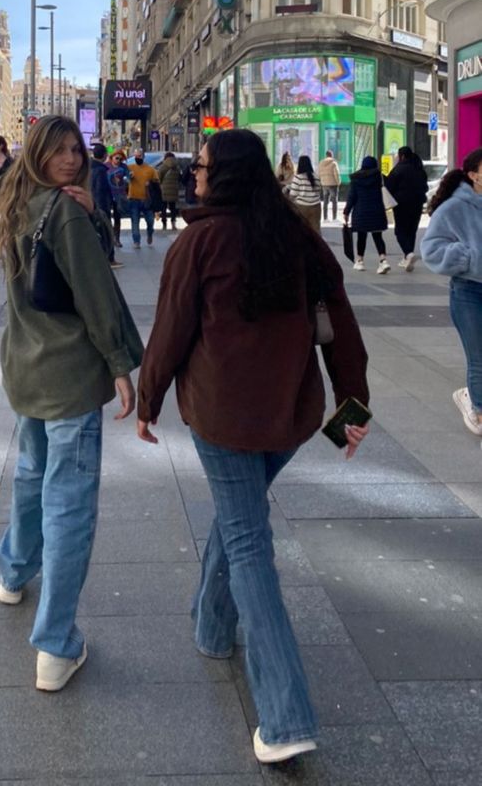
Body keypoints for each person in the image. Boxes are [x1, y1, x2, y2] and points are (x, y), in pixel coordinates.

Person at [137, 129, 369, 766]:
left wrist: (149, 399)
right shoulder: (297, 235)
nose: (198, 177)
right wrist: (351, 405)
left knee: (246, 538)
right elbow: (340, 324)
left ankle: (286, 714)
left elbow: (170, 330)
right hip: (291, 415)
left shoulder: (199, 242)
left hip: (225, 418)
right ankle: (213, 627)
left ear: (226, 176)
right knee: (239, 521)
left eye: (204, 167)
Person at [0, 116, 143, 691]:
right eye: (60, 150)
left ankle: (13, 570)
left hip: (25, 367)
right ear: (38, 151)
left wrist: (89, 215)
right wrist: (122, 365)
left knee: (31, 475)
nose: (73, 159)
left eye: (77, 149)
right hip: (70, 374)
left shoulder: (15, 201)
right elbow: (96, 293)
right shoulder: (65, 211)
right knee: (69, 501)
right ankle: (56, 645)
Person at [421, 147, 482, 436]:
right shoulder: (454, 208)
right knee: (479, 356)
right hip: (470, 291)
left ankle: (472, 396)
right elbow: (431, 250)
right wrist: (470, 258)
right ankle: (479, 410)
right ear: (473, 175)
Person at [344, 156, 390, 274]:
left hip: (361, 212)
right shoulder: (379, 177)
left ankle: (360, 261)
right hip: (376, 211)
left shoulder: (356, 179)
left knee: (361, 237)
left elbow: (352, 197)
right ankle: (383, 260)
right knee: (378, 236)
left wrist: (346, 212)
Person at [384, 146, 427, 271]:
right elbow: (425, 187)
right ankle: (407, 257)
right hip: (417, 203)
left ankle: (408, 253)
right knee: (411, 230)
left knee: (400, 231)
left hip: (402, 204)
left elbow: (389, 186)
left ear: (402, 156)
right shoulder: (419, 169)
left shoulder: (398, 169)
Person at [90, 142, 122, 268]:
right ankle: (109, 259)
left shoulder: (89, 169)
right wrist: (104, 208)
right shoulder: (100, 171)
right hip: (101, 206)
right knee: (106, 232)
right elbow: (100, 191)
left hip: (90, 204)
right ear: (105, 156)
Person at [127, 148, 159, 248]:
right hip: (133, 198)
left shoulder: (150, 169)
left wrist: (151, 183)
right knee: (135, 221)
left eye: (139, 156)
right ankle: (136, 241)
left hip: (146, 199)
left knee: (150, 220)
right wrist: (129, 177)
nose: (137, 158)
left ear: (143, 156)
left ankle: (150, 233)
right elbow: (124, 179)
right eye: (136, 156)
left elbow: (156, 182)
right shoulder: (130, 168)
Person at [287, 155, 322, 232]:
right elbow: (319, 190)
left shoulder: (298, 177)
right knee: (316, 230)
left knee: (301, 230)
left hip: (302, 207)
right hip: (316, 206)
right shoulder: (316, 177)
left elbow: (293, 194)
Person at [107, 151, 129, 248]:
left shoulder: (123, 167)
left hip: (119, 195)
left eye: (121, 159)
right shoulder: (106, 166)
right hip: (107, 194)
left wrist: (129, 178)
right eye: (117, 158)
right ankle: (110, 237)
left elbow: (128, 177)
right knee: (106, 216)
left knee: (117, 217)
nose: (119, 161)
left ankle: (117, 239)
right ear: (112, 157)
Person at [158, 152, 181, 230]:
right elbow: (179, 178)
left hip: (164, 190)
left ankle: (164, 224)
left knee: (163, 208)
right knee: (173, 208)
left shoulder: (163, 167)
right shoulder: (177, 167)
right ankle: (173, 224)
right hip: (174, 190)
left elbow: (158, 178)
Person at [318, 150, 341, 221]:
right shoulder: (334, 163)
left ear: (326, 155)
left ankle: (325, 218)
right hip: (333, 184)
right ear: (331, 155)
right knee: (334, 201)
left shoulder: (321, 163)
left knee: (325, 201)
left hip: (324, 184)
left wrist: (321, 181)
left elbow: (319, 174)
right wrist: (338, 182)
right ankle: (334, 217)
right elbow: (336, 174)